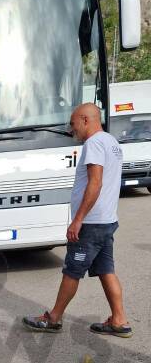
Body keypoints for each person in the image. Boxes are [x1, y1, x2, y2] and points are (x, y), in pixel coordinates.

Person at [23, 103, 131, 337]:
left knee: (72, 270)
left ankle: (53, 318)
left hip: (91, 223)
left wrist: (78, 220)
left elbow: (95, 183)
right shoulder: (111, 142)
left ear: (85, 120)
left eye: (73, 124)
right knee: (106, 269)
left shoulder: (93, 144)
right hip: (106, 220)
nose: (72, 130)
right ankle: (119, 321)